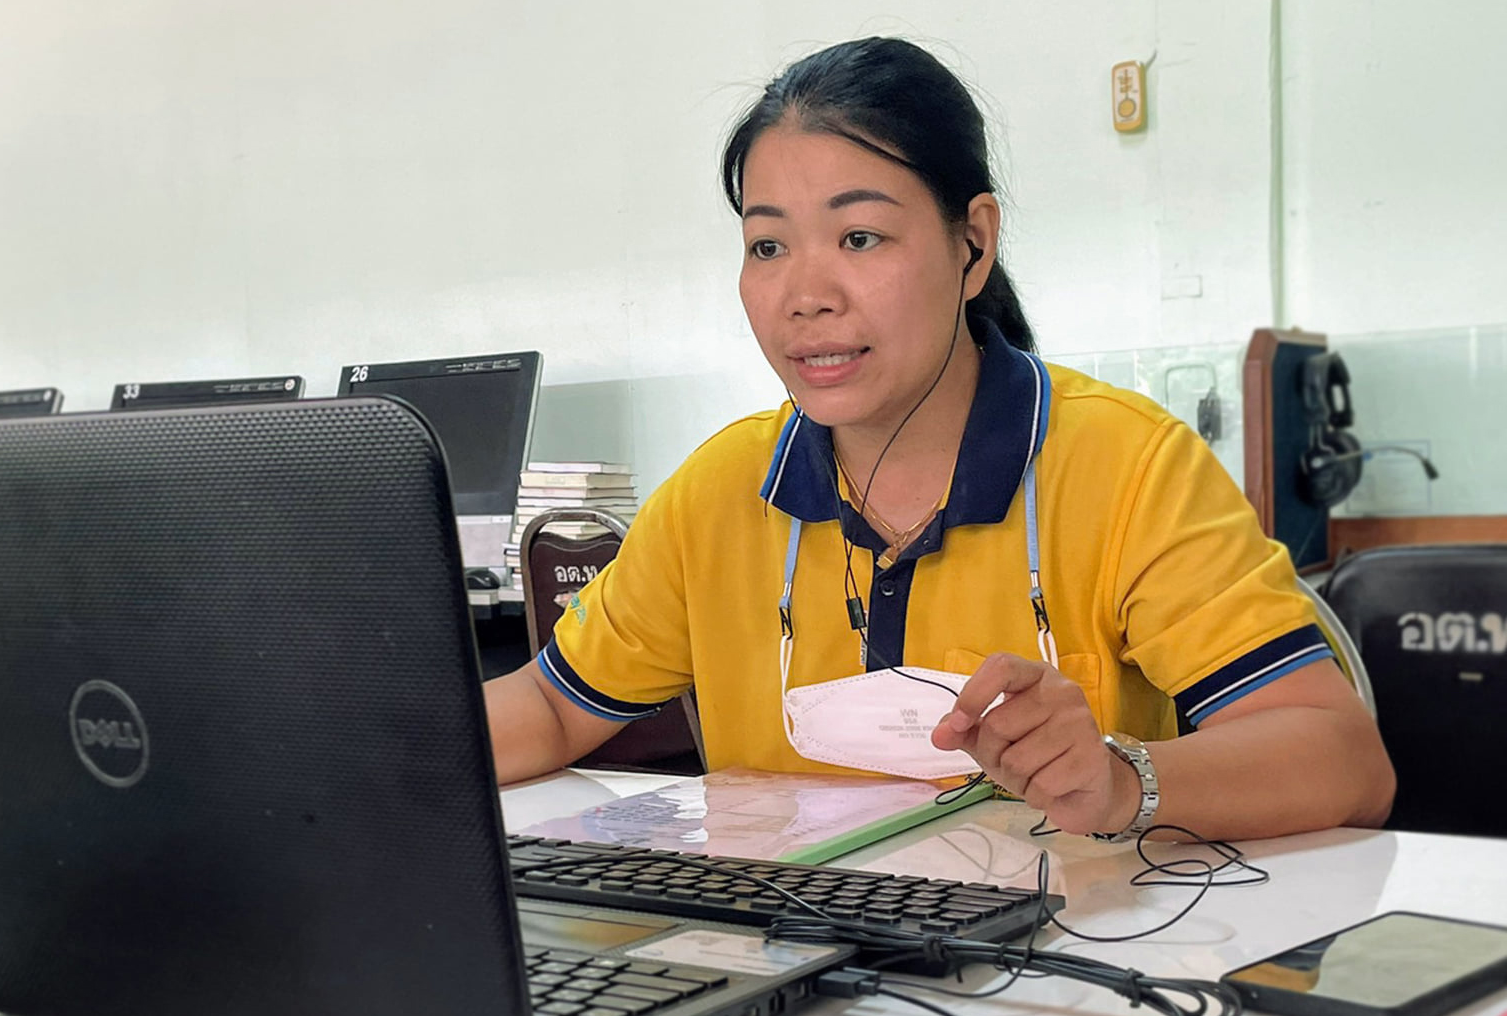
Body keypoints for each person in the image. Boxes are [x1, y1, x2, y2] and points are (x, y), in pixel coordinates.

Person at [484, 37, 1394, 841]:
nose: (806, 293)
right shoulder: (720, 493)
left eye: (861, 236)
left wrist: (1122, 780)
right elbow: (549, 711)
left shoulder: (1125, 468)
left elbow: (1344, 760)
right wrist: (354, 757)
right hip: (791, 972)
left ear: (974, 244)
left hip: (1056, 977)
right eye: (768, 247)